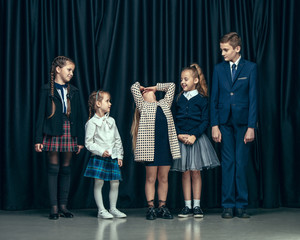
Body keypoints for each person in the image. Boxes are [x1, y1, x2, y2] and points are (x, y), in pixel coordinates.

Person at [210, 32, 257, 218]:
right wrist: (214, 125)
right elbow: (214, 98)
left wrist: (251, 126)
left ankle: (241, 205)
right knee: (228, 163)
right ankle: (228, 205)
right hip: (224, 123)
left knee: (241, 163)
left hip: (244, 124)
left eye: (226, 50)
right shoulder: (219, 69)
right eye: (221, 49)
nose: (222, 53)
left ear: (237, 49)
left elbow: (253, 99)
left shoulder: (251, 68)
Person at [35, 56, 84, 220]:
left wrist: (79, 140)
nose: (71, 73)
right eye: (69, 70)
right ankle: (54, 207)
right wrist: (38, 139)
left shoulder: (74, 91)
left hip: (69, 130)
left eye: (72, 71)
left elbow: (78, 116)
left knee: (66, 168)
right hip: (52, 130)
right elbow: (40, 116)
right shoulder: (46, 89)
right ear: (58, 69)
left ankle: (63, 206)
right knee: (53, 168)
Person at [171, 63, 220, 218]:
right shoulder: (178, 98)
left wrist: (194, 135)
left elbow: (205, 121)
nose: (182, 82)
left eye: (186, 79)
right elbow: (173, 120)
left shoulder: (202, 99)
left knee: (196, 173)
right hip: (181, 139)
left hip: (197, 140)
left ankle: (197, 206)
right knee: (185, 173)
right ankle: (187, 206)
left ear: (196, 80)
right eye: (181, 79)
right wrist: (179, 134)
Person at [131, 81, 181, 220]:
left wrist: (155, 87)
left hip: (165, 147)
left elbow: (171, 86)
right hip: (150, 149)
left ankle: (162, 207)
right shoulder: (143, 106)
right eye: (144, 92)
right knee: (151, 178)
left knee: (164, 178)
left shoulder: (164, 104)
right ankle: (151, 207)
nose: (147, 91)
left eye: (149, 91)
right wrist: (141, 88)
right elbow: (133, 87)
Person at [84, 90, 126, 219]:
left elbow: (117, 139)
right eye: (107, 101)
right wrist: (101, 151)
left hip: (112, 157)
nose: (110, 104)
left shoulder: (111, 121)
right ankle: (101, 210)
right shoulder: (91, 123)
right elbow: (88, 143)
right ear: (98, 103)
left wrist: (119, 155)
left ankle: (113, 208)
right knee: (99, 183)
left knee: (115, 182)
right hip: (99, 157)